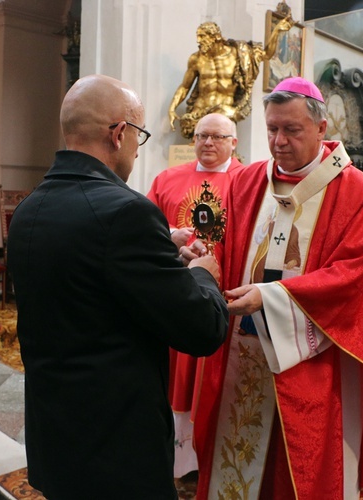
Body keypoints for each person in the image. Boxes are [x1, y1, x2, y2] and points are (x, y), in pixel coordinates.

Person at [7, 74, 229, 499]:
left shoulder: (32, 207)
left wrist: (158, 248)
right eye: (139, 135)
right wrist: (203, 272)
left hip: (54, 436)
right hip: (116, 450)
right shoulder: (127, 213)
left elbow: (86, 275)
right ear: (119, 133)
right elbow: (202, 328)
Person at [190, 77, 363, 498]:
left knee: (300, 465)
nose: (278, 141)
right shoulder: (248, 181)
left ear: (322, 129)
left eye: (292, 130)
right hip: (243, 348)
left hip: (310, 354)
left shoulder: (355, 191)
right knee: (237, 451)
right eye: (272, 129)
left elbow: (353, 275)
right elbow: (229, 247)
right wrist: (203, 257)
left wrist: (268, 298)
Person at [146, 112, 243, 481]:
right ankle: (177, 455)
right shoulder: (168, 179)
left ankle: (212, 454)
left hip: (226, 296)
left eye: (217, 137)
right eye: (202, 135)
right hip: (176, 293)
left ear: (233, 142)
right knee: (175, 372)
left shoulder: (247, 181)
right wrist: (171, 236)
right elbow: (145, 229)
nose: (208, 143)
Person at [168, 19, 292, 139]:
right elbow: (185, 86)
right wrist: (172, 108)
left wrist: (276, 31)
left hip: (226, 112)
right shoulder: (196, 59)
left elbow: (266, 54)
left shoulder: (238, 54)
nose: (198, 41)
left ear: (215, 37)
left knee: (221, 149)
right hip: (199, 112)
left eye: (202, 36)